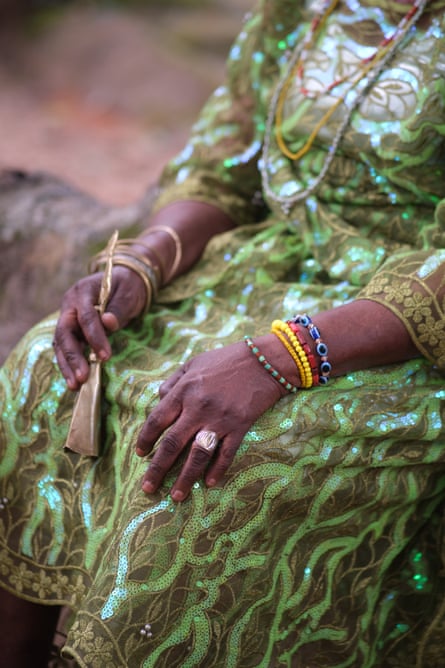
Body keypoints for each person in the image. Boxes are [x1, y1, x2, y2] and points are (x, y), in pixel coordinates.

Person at [0, 0, 444, 665]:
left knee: (233, 453)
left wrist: (281, 357)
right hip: (265, 269)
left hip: (397, 324)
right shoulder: (302, 9)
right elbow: (223, 162)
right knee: (48, 364)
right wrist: (144, 262)